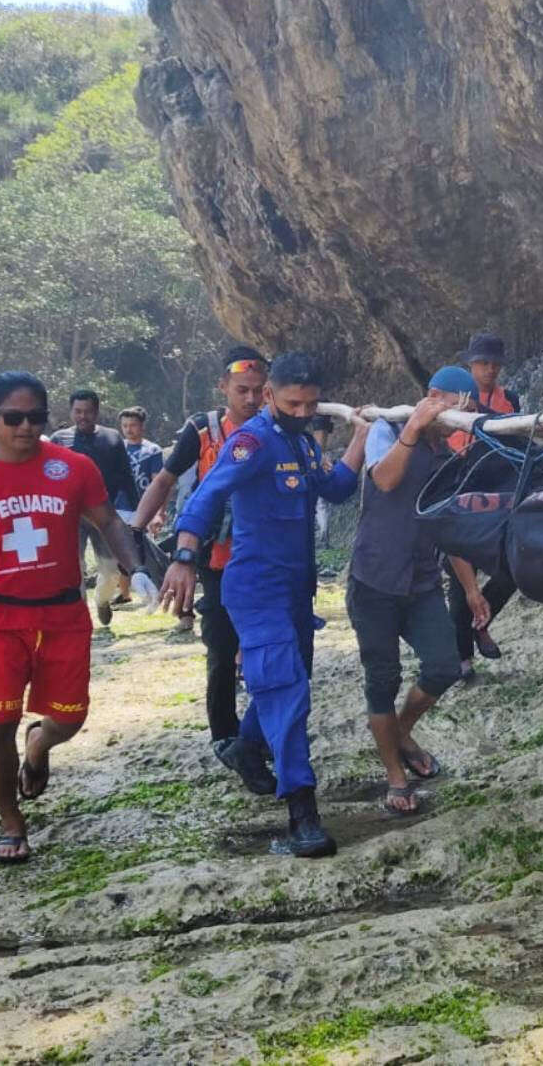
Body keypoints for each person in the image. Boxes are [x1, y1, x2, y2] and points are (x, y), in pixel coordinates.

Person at [0, 371, 155, 864]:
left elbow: (107, 519)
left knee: (70, 718)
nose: (25, 427)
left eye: (35, 417)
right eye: (13, 418)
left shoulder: (72, 468)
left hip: (63, 612)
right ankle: (10, 821)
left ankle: (40, 745)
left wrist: (136, 569)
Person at [158, 352, 366, 857]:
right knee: (289, 691)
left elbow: (337, 487)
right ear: (270, 396)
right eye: (293, 402)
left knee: (284, 682)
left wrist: (360, 436)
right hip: (255, 590)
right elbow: (207, 495)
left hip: (297, 590)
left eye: (311, 404)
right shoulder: (251, 442)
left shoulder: (301, 441)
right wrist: (184, 557)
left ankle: (246, 746)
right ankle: (301, 809)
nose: (302, 411)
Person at [130, 347, 270, 784]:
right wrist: (133, 535)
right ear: (223, 387)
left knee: (271, 652)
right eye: (241, 390)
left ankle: (260, 737)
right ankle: (226, 740)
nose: (250, 399)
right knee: (222, 651)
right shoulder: (204, 430)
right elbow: (165, 479)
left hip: (266, 560)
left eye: (257, 391)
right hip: (216, 559)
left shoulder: (277, 428)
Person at [351, 365, 472, 817]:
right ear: (435, 397)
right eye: (461, 407)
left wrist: (472, 591)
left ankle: (400, 732)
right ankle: (395, 775)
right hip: (374, 580)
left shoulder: (448, 458)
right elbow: (383, 479)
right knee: (381, 680)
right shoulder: (388, 428)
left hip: (421, 583)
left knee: (444, 666)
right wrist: (415, 429)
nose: (465, 418)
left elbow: (450, 528)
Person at [444, 333, 522, 679]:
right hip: (457, 488)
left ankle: (482, 624)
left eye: (494, 364)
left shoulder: (512, 400)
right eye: (482, 363)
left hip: (498, 493)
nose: (489, 369)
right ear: (470, 365)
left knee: (510, 571)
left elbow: (517, 435)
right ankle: (462, 659)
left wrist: (481, 411)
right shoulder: (449, 396)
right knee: (460, 580)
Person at [50, 391, 138, 627]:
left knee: (111, 569)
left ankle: (101, 601)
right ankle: (80, 619)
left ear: (96, 412)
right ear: (71, 412)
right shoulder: (58, 440)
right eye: (78, 411)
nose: (83, 416)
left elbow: (127, 478)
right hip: (69, 517)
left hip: (104, 516)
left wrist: (138, 512)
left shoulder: (111, 438)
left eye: (88, 411)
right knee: (73, 569)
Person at [113, 407, 167, 606]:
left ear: (142, 426)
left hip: (142, 509)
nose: (128, 429)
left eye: (133, 425)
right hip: (119, 508)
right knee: (122, 553)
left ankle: (163, 591)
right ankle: (125, 593)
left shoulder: (152, 450)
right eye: (125, 425)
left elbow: (158, 483)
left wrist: (158, 512)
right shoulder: (116, 448)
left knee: (146, 554)